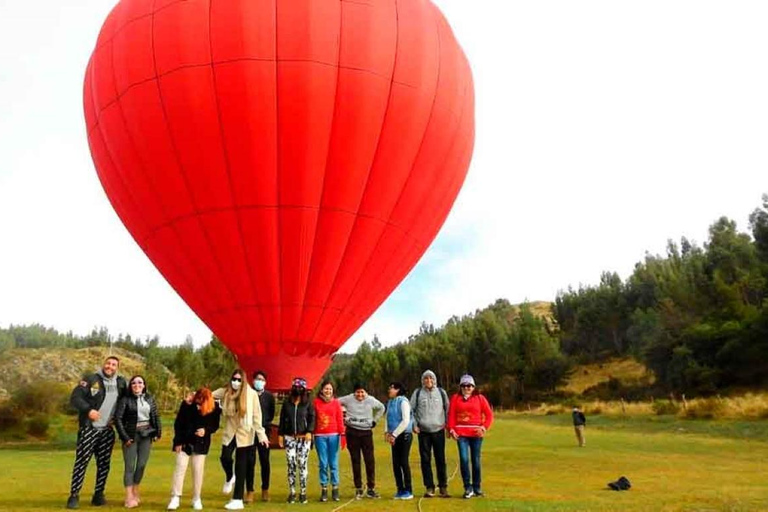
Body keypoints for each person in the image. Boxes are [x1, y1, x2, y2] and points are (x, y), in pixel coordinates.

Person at [67, 355, 128, 509]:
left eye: (114, 365)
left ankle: (98, 494)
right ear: (103, 364)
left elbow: (126, 402)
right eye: (108, 363)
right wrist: (88, 410)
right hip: (89, 428)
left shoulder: (121, 383)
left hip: (107, 431)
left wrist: (118, 417)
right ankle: (74, 496)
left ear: (117, 368)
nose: (110, 366)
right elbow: (75, 397)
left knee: (104, 464)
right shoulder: (91, 379)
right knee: (82, 462)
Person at [213, 369, 270, 511]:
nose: (236, 382)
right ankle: (229, 476)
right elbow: (209, 395)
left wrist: (261, 435)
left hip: (245, 434)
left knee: (241, 466)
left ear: (243, 381)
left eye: (239, 380)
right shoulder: (226, 392)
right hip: (230, 432)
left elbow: (257, 416)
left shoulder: (251, 395)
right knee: (225, 457)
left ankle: (237, 499)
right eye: (234, 379)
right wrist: (195, 395)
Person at [167, 388, 222, 511]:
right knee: (180, 468)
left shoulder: (215, 409)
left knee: (198, 471)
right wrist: (178, 441)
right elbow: (178, 424)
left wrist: (206, 431)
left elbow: (215, 425)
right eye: (198, 400)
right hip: (185, 441)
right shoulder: (187, 405)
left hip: (201, 443)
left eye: (202, 401)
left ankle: (196, 498)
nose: (199, 403)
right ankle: (175, 497)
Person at [115, 375, 162, 508]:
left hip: (146, 435)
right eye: (134, 383)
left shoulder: (149, 398)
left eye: (140, 382)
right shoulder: (125, 400)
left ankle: (136, 490)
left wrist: (157, 432)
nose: (137, 385)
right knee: (129, 467)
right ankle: (129, 496)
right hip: (131, 436)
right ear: (131, 386)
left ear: (144, 385)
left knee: (141, 465)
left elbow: (155, 416)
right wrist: (125, 437)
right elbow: (118, 419)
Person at [447, 374, 493, 499]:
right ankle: (467, 487)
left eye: (470, 386)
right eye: (464, 386)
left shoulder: (480, 398)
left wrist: (483, 427)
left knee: (476, 461)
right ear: (461, 387)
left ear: (473, 387)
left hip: (476, 434)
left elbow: (489, 415)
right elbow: (451, 416)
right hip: (461, 435)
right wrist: (451, 429)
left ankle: (477, 487)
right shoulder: (455, 398)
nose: (467, 388)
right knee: (464, 460)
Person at [339, 382, 385, 499]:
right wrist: (343, 418)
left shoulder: (371, 400)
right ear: (354, 392)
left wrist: (375, 420)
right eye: (357, 392)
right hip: (352, 432)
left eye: (362, 392)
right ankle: (358, 488)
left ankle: (371, 488)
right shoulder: (348, 399)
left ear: (366, 392)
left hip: (366, 433)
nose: (360, 394)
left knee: (369, 460)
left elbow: (382, 408)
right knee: (356, 460)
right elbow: (335, 403)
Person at [410, 369, 450, 498]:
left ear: (434, 380)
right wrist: (414, 425)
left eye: (431, 378)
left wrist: (448, 427)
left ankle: (443, 487)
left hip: (438, 430)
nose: (428, 381)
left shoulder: (441, 393)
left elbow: (448, 410)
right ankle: (429, 487)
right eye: (426, 379)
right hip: (423, 432)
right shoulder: (417, 393)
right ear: (423, 380)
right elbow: (411, 411)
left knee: (440, 459)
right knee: (425, 460)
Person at [277, 377, 315, 504]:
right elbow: (282, 419)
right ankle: (292, 492)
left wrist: (310, 431)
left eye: (300, 388)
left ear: (304, 390)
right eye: (296, 387)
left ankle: (303, 492)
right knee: (291, 464)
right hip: (289, 438)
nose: (298, 390)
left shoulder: (308, 403)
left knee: (302, 464)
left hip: (304, 438)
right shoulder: (287, 403)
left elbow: (312, 418)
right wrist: (280, 435)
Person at [313, 379, 344, 502]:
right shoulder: (315, 402)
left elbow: (340, 419)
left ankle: (335, 488)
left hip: (334, 435)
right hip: (320, 436)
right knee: (323, 463)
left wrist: (342, 435)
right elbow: (313, 419)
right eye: (326, 388)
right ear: (322, 390)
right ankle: (324, 488)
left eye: (330, 389)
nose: (328, 391)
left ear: (333, 391)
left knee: (333, 463)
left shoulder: (336, 403)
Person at [247, 370, 275, 503]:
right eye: (257, 379)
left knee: (265, 462)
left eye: (262, 379)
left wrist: (264, 427)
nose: (259, 381)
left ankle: (265, 490)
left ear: (265, 382)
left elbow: (271, 413)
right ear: (253, 380)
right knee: (250, 462)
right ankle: (250, 491)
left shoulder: (269, 397)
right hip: (249, 432)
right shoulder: (248, 395)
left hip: (264, 432)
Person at [385, 382, 414, 500]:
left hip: (404, 435)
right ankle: (400, 489)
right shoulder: (390, 402)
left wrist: (395, 434)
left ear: (397, 389)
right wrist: (387, 432)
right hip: (393, 436)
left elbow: (405, 420)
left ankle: (408, 490)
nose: (389, 390)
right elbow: (387, 417)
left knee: (403, 462)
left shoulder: (403, 402)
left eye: (391, 388)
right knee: (395, 464)